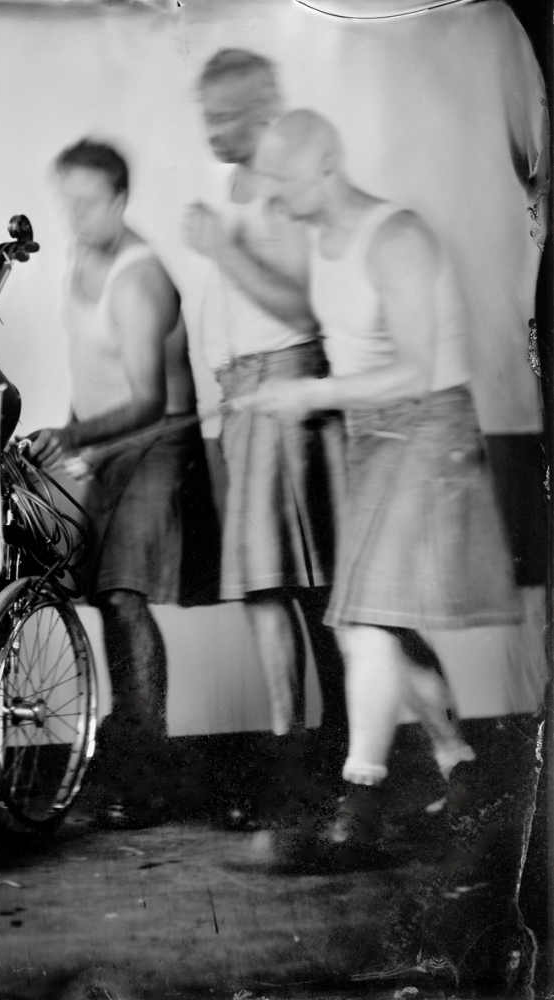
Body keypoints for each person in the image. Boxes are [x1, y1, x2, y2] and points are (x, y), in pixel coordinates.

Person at [240, 109, 521, 859]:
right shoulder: (323, 240)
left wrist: (309, 394)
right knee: (381, 621)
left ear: (326, 164)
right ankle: (462, 771)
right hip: (373, 437)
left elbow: (416, 369)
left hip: (429, 433)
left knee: (361, 621)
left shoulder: (396, 236)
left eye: (281, 179)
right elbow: (321, 328)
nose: (271, 195)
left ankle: (358, 807)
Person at [31, 139, 219, 828]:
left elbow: (146, 400)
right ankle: (132, 750)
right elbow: (90, 370)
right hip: (108, 447)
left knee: (122, 594)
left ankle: (144, 771)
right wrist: (80, 443)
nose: (75, 217)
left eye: (88, 204)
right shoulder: (80, 256)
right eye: (67, 203)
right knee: (106, 601)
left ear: (120, 199)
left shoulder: (139, 278)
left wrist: (75, 435)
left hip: (158, 441)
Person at [181, 49, 348, 806]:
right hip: (246, 395)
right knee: (271, 585)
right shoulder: (239, 182)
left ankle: (326, 757)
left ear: (265, 107)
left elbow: (303, 308)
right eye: (206, 117)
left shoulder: (284, 183)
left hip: (285, 384)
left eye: (225, 117)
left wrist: (222, 247)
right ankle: (302, 756)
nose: (212, 132)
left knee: (301, 588)